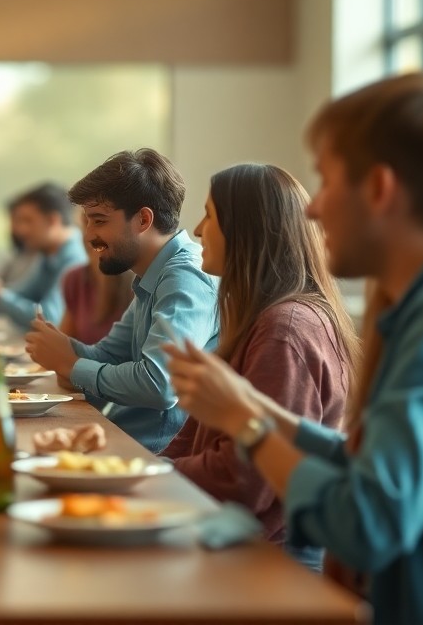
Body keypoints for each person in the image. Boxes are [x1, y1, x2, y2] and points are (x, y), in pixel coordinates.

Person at [165, 74, 423, 625]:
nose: (312, 211)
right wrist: (257, 412)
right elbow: (371, 466)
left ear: (380, 189)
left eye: (328, 181)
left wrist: (250, 425)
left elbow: (366, 523)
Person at [159, 164, 355, 570]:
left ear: (246, 230)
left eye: (209, 216)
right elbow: (192, 435)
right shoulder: (262, 319)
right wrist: (139, 470)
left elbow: (245, 479)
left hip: (268, 563)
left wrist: (154, 474)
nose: (196, 230)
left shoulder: (284, 330)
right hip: (233, 540)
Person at [24, 149, 219, 454]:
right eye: (87, 222)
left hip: (159, 459)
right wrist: (62, 349)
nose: (88, 237)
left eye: (98, 221)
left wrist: (70, 363)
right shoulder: (150, 276)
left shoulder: (184, 278)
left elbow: (160, 385)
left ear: (143, 219)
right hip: (123, 441)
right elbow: (109, 356)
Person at [0, 182, 87, 329]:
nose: (19, 230)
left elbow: (50, 318)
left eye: (28, 221)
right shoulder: (48, 254)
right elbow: (21, 294)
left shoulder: (75, 258)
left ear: (52, 221)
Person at [59, 217, 136, 346]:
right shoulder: (75, 279)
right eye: (84, 223)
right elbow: (63, 345)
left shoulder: (139, 284)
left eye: (99, 222)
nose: (88, 234)